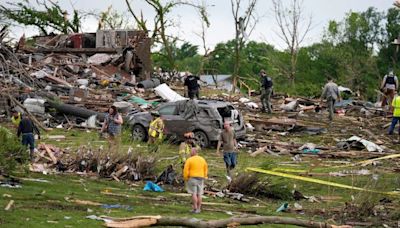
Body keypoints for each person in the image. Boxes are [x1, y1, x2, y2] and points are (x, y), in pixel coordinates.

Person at [183, 148, 208, 214]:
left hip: (192, 177)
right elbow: (205, 168)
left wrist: (186, 177)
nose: (190, 153)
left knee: (193, 193)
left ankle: (195, 207)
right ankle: (199, 208)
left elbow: (186, 169)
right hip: (201, 177)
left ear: (193, 152)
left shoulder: (189, 160)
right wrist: (205, 176)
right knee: (199, 194)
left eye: (191, 151)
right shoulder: (202, 159)